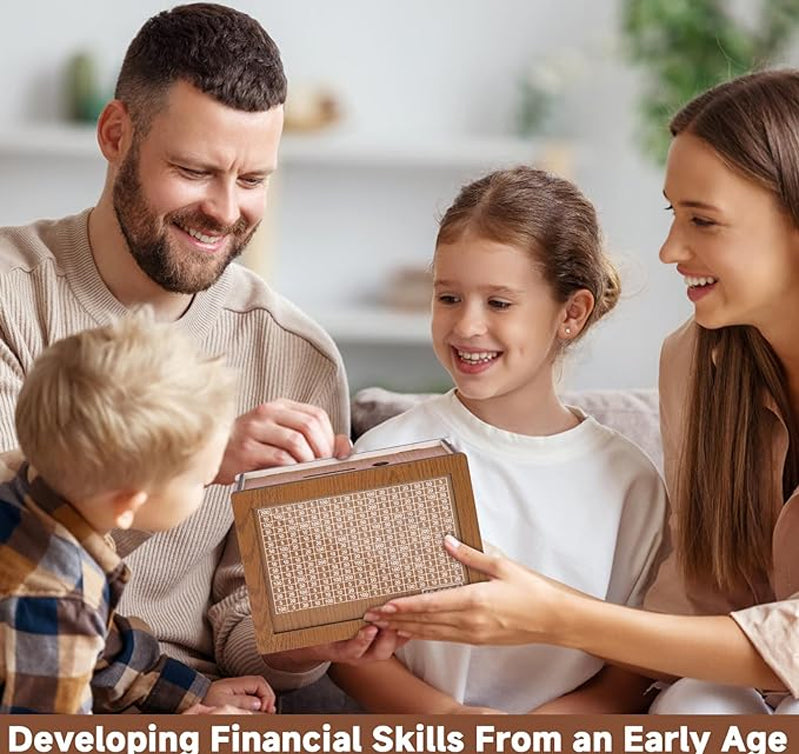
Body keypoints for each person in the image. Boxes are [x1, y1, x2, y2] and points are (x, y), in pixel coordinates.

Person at [362, 70, 799, 716]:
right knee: (698, 705)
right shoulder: (699, 364)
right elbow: (696, 602)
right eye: (673, 214)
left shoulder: (620, 478)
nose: (669, 249)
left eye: (703, 221)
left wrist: (552, 616)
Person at [0, 3, 398, 699]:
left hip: (194, 696)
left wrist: (313, 635)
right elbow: (10, 543)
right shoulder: (12, 295)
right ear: (115, 134)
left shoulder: (294, 354)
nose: (225, 209)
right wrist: (192, 457)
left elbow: (246, 634)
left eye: (253, 180)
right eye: (193, 170)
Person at [330, 166, 667, 713]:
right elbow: (347, 651)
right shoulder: (388, 455)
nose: (466, 326)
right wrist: (452, 720)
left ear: (572, 313)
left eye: (499, 303)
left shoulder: (630, 482)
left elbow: (630, 668)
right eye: (449, 298)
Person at [0, 312, 276, 714]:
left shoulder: (28, 479)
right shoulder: (53, 604)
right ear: (128, 504)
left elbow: (102, 644)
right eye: (200, 479)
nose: (213, 479)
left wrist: (193, 694)